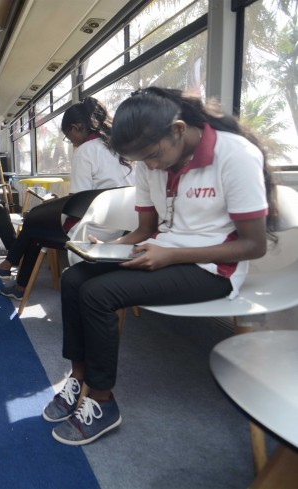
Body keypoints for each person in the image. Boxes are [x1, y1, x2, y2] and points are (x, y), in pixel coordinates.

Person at [45, 86, 275, 446]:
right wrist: (109, 248)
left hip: (213, 269)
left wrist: (170, 255)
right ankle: (79, 377)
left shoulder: (235, 155)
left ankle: (102, 401)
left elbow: (254, 245)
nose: (150, 166)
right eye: (142, 160)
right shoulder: (148, 161)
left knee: (97, 294)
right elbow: (144, 230)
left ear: (179, 130)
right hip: (160, 251)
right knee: (75, 276)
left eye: (153, 155)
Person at [0, 97, 134, 300]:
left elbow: (77, 205)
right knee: (35, 224)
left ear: (77, 127)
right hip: (119, 228)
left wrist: (55, 202)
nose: (70, 141)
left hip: (89, 231)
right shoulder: (121, 150)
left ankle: (13, 277)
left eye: (68, 136)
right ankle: (10, 273)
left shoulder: (85, 151)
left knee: (33, 223)